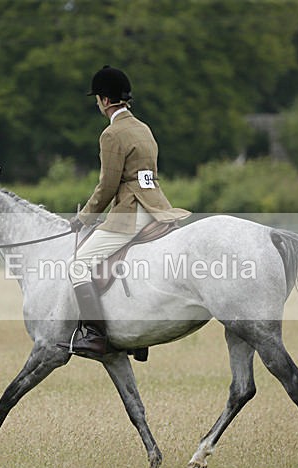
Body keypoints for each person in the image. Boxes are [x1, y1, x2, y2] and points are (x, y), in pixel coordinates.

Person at [60, 66, 190, 356]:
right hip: (157, 206)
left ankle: (95, 336)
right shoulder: (143, 128)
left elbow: (107, 186)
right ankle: (138, 338)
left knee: (78, 264)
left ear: (105, 100)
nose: (98, 103)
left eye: (98, 98)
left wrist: (84, 217)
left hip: (132, 212)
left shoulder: (111, 134)